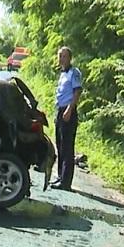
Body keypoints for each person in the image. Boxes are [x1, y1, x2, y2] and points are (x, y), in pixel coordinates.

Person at [51, 46, 82, 190]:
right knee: (59, 145)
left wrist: (70, 109)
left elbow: (77, 92)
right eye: (59, 56)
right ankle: (60, 177)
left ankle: (66, 182)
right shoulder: (63, 73)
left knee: (67, 147)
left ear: (70, 58)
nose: (61, 58)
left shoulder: (74, 73)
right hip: (60, 111)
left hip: (68, 111)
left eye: (63, 56)